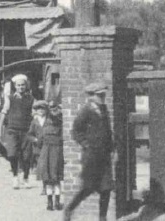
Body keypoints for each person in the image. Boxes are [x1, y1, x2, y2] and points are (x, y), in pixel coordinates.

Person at [63, 82, 115, 221]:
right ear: (91, 96)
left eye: (103, 95)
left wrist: (112, 148)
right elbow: (76, 131)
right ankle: (69, 209)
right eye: (100, 95)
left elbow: (107, 132)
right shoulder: (85, 111)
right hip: (91, 156)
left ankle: (102, 218)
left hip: (104, 156)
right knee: (88, 187)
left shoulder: (103, 109)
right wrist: (86, 144)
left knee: (106, 188)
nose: (103, 97)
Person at [0, 73, 34, 189]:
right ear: (15, 86)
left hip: (26, 131)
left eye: (23, 85)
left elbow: (35, 114)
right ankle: (15, 177)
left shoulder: (31, 99)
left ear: (26, 86)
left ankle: (26, 178)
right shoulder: (10, 98)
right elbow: (4, 113)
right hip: (12, 130)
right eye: (18, 85)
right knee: (12, 154)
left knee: (27, 156)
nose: (21, 87)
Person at [27, 100, 64, 211]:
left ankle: (54, 202)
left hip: (50, 151)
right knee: (51, 178)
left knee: (52, 178)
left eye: (43, 109)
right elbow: (31, 135)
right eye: (39, 109)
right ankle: (52, 202)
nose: (41, 111)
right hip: (46, 151)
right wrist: (37, 140)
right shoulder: (36, 121)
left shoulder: (51, 122)